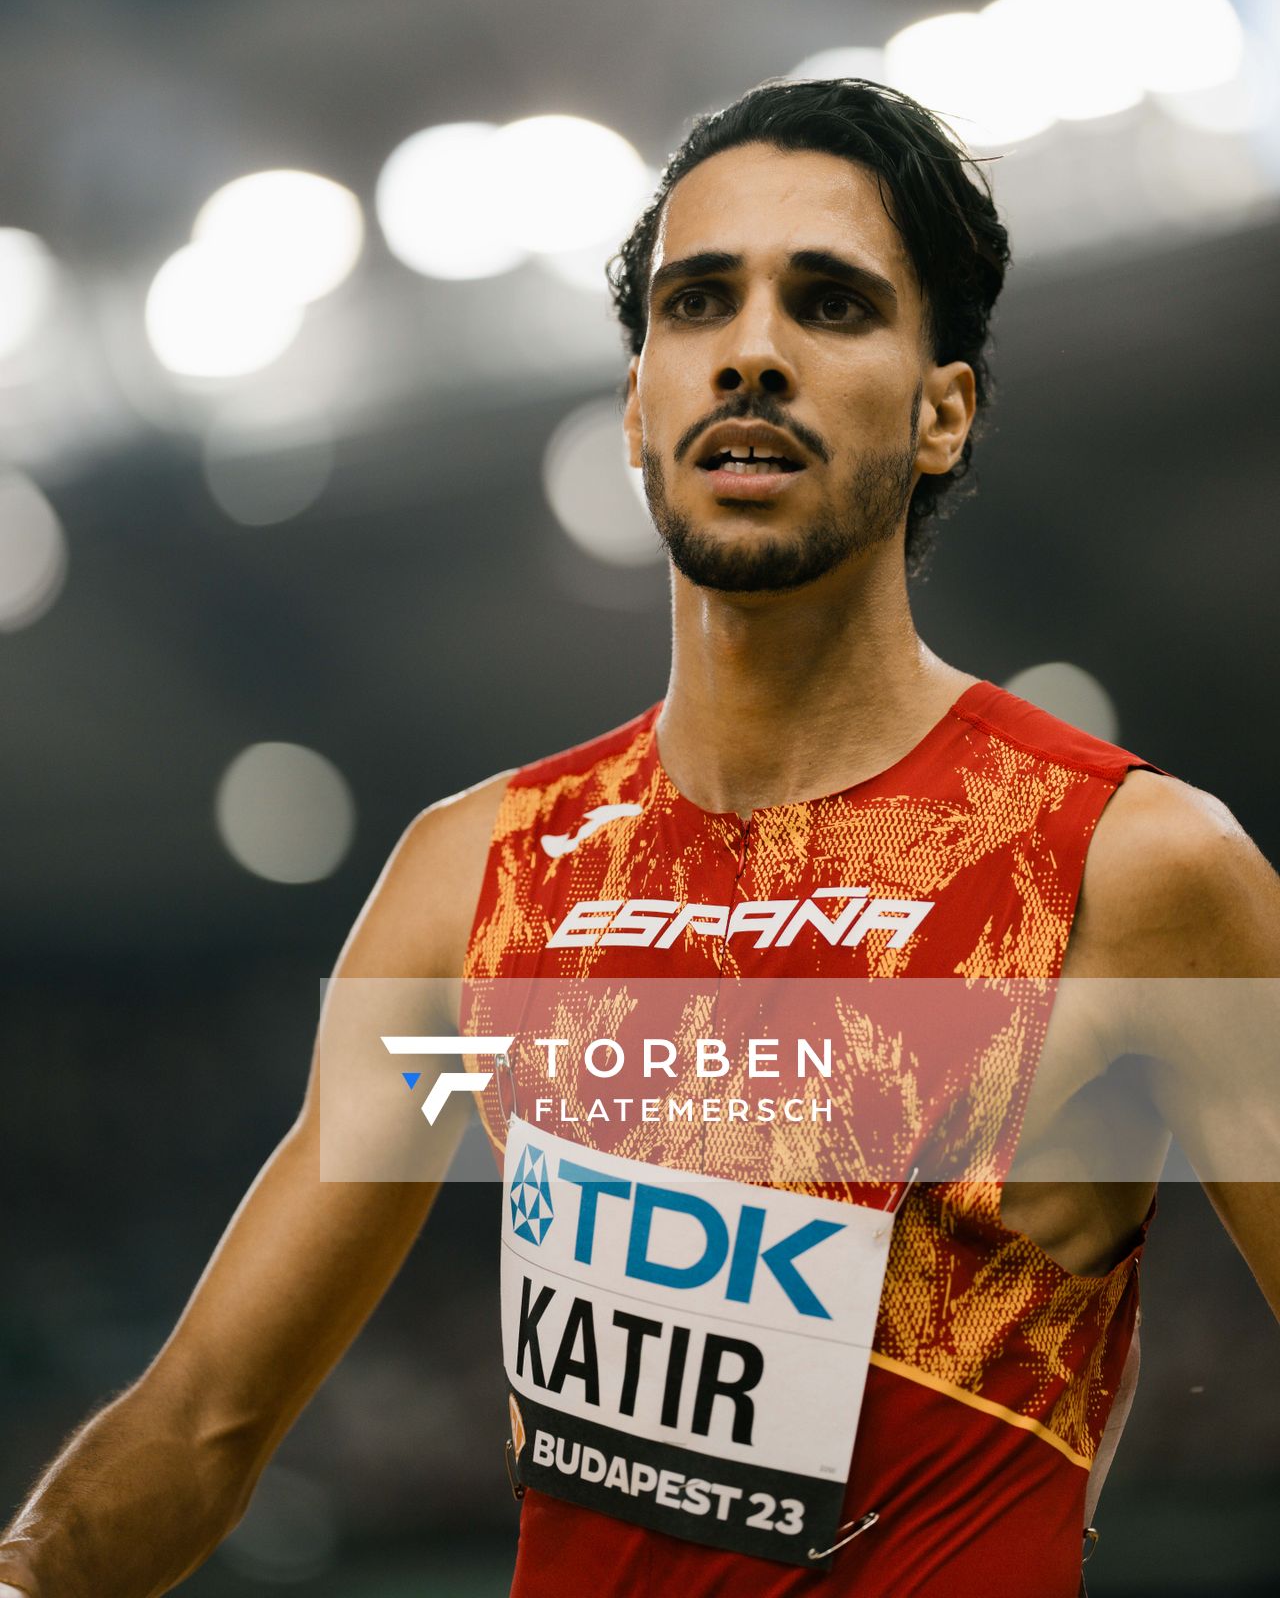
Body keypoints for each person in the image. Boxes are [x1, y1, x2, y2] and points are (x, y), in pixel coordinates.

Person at [1, 79, 1276, 1598]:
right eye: (697, 303)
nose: (752, 348)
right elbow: (204, 1426)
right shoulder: (479, 888)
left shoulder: (1131, 875)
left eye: (832, 304)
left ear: (942, 413)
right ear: (637, 401)